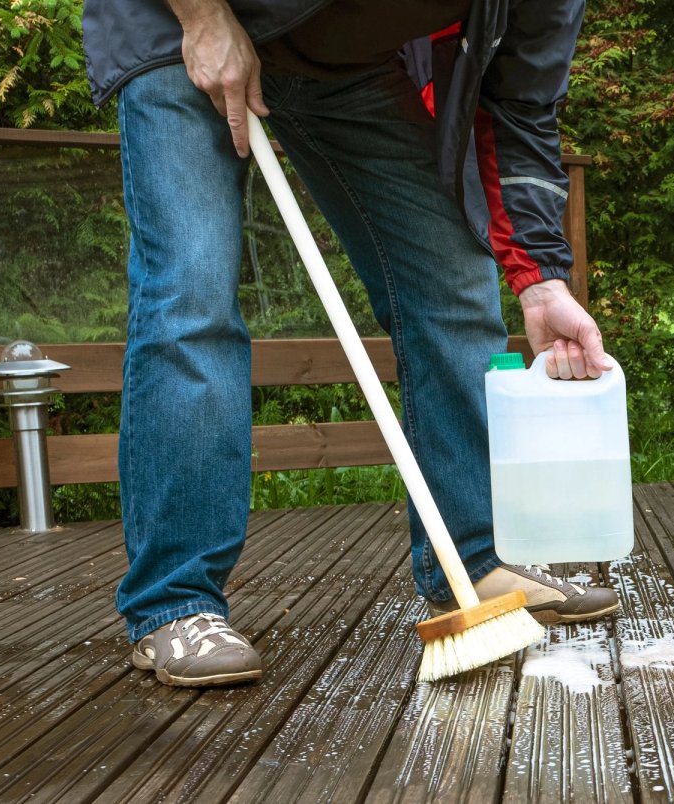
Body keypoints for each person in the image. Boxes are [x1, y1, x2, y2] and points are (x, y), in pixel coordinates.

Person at [81, 0, 620, 688]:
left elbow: (516, 105)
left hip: (343, 60)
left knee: (449, 276)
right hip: (179, 21)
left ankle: (472, 559)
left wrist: (540, 279)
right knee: (191, 290)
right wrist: (205, 17)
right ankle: (175, 604)